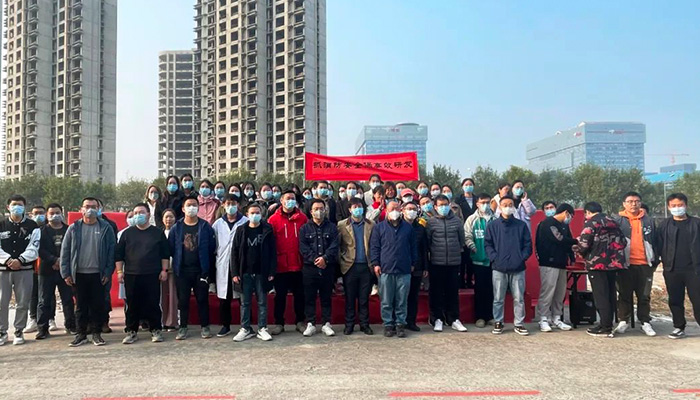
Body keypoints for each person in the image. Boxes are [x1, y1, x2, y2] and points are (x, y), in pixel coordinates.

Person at [60, 197, 116, 347]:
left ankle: (96, 334)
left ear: (98, 209)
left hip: (99, 274)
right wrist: (66, 273)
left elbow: (112, 252)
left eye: (93, 206)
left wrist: (108, 272)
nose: (90, 209)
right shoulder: (73, 228)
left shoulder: (106, 228)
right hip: (78, 274)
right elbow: (65, 251)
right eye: (87, 206)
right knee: (80, 306)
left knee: (98, 305)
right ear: (81, 209)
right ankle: (81, 334)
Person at [116, 204, 170, 344]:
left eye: (141, 212)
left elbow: (165, 254)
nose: (138, 215)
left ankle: (156, 330)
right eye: (135, 213)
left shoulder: (157, 233)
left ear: (148, 214)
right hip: (131, 274)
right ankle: (131, 331)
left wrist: (164, 270)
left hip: (152, 274)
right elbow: (119, 255)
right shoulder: (127, 233)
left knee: (153, 303)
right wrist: (120, 272)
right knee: (132, 304)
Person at [168, 195, 216, 340]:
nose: (191, 208)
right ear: (183, 208)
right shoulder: (176, 228)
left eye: (194, 205)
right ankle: (183, 327)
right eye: (188, 205)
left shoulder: (205, 227)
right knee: (183, 301)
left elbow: (211, 248)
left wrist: (207, 270)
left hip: (200, 270)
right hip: (182, 271)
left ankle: (205, 327)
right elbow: (171, 248)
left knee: (202, 299)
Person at [575, 201, 627, 337]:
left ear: (587, 212)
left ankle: (605, 326)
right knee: (610, 294)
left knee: (600, 296)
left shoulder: (591, 223)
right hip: (614, 264)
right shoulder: (614, 222)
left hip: (597, 264)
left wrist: (579, 252)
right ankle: (608, 323)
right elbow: (623, 242)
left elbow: (584, 244)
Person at [611, 191, 659, 337]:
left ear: (640, 203)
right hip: (625, 264)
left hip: (645, 264)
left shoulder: (649, 221)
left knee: (644, 295)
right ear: (624, 204)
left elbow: (656, 241)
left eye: (637, 201)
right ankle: (623, 320)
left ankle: (645, 321)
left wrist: (655, 260)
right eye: (630, 201)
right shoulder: (617, 221)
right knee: (624, 294)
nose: (633, 204)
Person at [484, 195, 533, 336]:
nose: (507, 207)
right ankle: (498, 321)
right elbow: (487, 244)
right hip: (499, 267)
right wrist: (494, 258)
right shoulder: (493, 225)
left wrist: (521, 258)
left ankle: (519, 323)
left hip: (518, 267)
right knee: (498, 298)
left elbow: (528, 245)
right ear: (499, 207)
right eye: (505, 205)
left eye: (510, 204)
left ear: (514, 207)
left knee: (519, 298)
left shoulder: (521, 225)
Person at [655, 193, 700, 339]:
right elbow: (658, 245)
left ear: (686, 205)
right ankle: (679, 327)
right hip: (672, 269)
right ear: (668, 207)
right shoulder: (664, 225)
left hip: (694, 269)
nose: (677, 208)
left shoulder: (696, 223)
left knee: (697, 299)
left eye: (680, 205)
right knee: (675, 300)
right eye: (673, 205)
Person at [230, 203, 276, 342]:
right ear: (247, 214)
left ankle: (262, 328)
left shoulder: (267, 229)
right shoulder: (241, 230)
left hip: (262, 272)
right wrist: (235, 273)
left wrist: (272, 271)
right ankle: (245, 328)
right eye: (252, 213)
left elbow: (273, 252)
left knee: (262, 302)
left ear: (261, 214)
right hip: (245, 272)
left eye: (257, 213)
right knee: (245, 303)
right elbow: (234, 252)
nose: (255, 215)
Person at [370, 201, 416, 338]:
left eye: (397, 208)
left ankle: (400, 324)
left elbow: (413, 247)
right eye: (391, 209)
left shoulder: (408, 228)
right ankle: (388, 324)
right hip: (385, 269)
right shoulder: (379, 227)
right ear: (386, 211)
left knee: (402, 300)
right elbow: (374, 247)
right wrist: (376, 263)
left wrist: (413, 263)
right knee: (386, 300)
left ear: (401, 210)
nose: (394, 211)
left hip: (404, 269)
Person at [0, 195, 40, 346]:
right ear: (8, 207)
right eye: (14, 204)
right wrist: (8, 260)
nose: (17, 207)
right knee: (1, 302)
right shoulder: (1, 225)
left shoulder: (32, 226)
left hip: (24, 270)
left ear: (24, 207)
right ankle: (2, 332)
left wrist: (20, 260)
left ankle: (19, 331)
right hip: (3, 270)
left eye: (20, 205)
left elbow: (34, 247)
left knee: (22, 303)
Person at [267, 190, 308, 335]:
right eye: (287, 198)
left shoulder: (302, 218)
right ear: (281, 200)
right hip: (281, 265)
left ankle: (300, 321)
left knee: (300, 295)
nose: (290, 201)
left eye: (293, 198)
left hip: (298, 263)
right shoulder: (273, 219)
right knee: (280, 296)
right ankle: (279, 323)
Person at [427, 195, 468, 332]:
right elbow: (428, 242)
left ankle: (453, 319)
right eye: (440, 205)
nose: (443, 207)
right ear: (435, 207)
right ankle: (437, 319)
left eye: (445, 204)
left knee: (452, 292)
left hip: (453, 262)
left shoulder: (457, 221)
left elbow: (461, 240)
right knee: (436, 292)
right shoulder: (431, 222)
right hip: (436, 262)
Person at [299, 199, 340, 337]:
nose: (319, 211)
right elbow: (303, 248)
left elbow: (335, 245)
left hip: (327, 267)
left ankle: (326, 323)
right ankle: (310, 323)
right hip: (310, 268)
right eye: (316, 209)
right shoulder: (304, 228)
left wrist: (325, 258)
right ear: (311, 211)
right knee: (309, 297)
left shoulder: (332, 227)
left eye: (322, 208)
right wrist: (316, 259)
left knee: (326, 296)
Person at [35, 203, 75, 340]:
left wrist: (61, 262)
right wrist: (54, 260)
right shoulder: (41, 231)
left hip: (65, 271)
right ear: (47, 215)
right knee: (44, 300)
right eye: (51, 213)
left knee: (67, 299)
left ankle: (70, 325)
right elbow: (40, 249)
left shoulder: (69, 230)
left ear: (62, 213)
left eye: (57, 212)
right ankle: (42, 328)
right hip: (46, 270)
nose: (55, 215)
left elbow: (73, 248)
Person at [535, 203, 577, 332]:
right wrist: (577, 241)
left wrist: (572, 256)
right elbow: (559, 239)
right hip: (548, 263)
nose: (570, 219)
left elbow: (568, 241)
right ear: (566, 213)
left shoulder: (565, 225)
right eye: (571, 216)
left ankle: (556, 318)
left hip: (562, 263)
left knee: (560, 292)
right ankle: (543, 318)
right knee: (548, 291)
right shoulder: (547, 223)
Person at [211, 194, 248, 337]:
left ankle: (245, 325)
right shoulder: (217, 224)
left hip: (240, 264)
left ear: (238, 205)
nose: (231, 206)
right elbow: (214, 245)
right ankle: (225, 325)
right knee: (224, 298)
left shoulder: (245, 222)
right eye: (228, 203)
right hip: (223, 264)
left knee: (242, 297)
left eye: (233, 203)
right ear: (223, 205)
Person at [337, 197, 375, 335]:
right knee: (350, 298)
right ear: (349, 209)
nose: (357, 209)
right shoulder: (342, 225)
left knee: (364, 298)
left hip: (366, 266)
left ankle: (364, 324)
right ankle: (349, 324)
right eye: (354, 207)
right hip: (349, 266)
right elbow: (338, 245)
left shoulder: (371, 224)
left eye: (360, 206)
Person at [464, 193, 496, 328]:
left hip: (494, 261)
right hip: (478, 260)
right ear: (477, 204)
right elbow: (467, 236)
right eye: (482, 202)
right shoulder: (472, 219)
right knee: (480, 289)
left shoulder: (496, 219)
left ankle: (490, 316)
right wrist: (474, 248)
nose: (485, 205)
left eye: (487, 202)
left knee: (492, 289)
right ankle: (480, 317)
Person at [403, 201, 428, 332]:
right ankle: (399, 321)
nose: (411, 211)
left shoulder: (420, 228)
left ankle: (411, 321)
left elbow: (424, 249)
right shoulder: (398, 226)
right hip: (401, 266)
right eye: (409, 208)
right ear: (403, 210)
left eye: (413, 209)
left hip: (417, 266)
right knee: (401, 296)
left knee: (413, 295)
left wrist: (425, 267)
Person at [24, 204, 46, 334]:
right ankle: (32, 318)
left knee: (47, 295)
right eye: (36, 213)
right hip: (31, 266)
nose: (39, 215)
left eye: (41, 213)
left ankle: (50, 318)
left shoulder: (48, 228)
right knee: (33, 293)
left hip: (46, 266)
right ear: (31, 214)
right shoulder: (28, 228)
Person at [456, 178, 477, 289]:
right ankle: (461, 281)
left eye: (470, 184)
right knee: (463, 258)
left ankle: (469, 280)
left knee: (471, 258)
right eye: (466, 184)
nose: (468, 186)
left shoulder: (477, 200)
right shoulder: (458, 200)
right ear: (462, 186)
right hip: (462, 230)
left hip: (475, 230)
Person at [161, 209, 178, 331]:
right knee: (160, 296)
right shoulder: (158, 233)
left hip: (174, 268)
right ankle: (161, 321)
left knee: (173, 296)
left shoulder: (178, 232)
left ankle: (172, 322)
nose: (169, 219)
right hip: (161, 269)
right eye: (166, 217)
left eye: (171, 217)